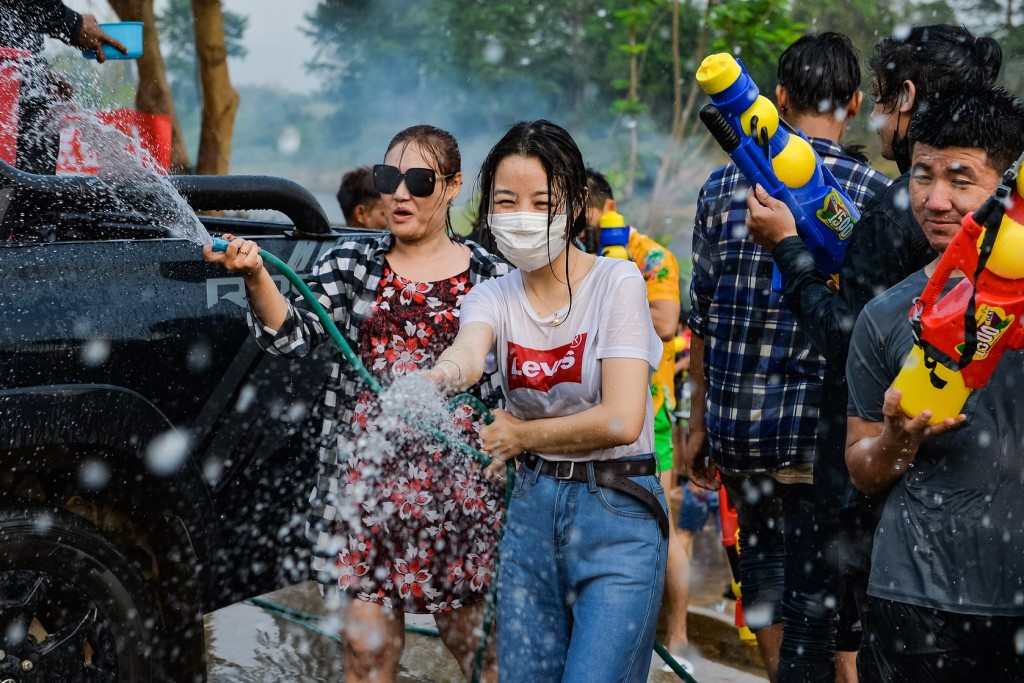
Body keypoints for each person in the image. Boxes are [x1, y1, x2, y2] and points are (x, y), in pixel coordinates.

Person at [203, 124, 509, 683]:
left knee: (481, 653)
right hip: (365, 494)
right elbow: (288, 334)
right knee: (367, 657)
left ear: (454, 186)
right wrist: (254, 276)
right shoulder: (352, 265)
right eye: (388, 178)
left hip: (460, 501)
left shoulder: (491, 277)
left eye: (419, 181)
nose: (400, 193)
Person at [745, 26, 1003, 680]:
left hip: (882, 511)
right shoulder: (970, 231)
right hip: (946, 531)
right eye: (927, 178)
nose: (937, 198)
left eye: (886, 99)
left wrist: (791, 255)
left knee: (817, 637)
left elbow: (852, 330)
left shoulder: (906, 209)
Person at [427, 119, 667, 682]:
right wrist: (439, 377)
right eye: (506, 201)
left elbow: (621, 417)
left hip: (616, 507)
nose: (522, 215)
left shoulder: (618, 283)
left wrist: (523, 435)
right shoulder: (491, 296)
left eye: (542, 200)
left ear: (577, 203)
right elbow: (469, 349)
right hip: (532, 514)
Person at [687, 32, 890, 683]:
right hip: (818, 437)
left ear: (778, 97)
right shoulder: (872, 192)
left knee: (768, 578)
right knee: (826, 598)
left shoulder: (722, 186)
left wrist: (696, 426)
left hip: (740, 431)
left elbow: (704, 317)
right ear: (854, 102)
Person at [844, 88, 1024, 681]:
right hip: (915, 596)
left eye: (960, 178)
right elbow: (861, 465)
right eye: (923, 175)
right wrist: (899, 440)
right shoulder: (888, 316)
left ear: (1006, 188)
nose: (935, 199)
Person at [584, 167, 694, 674]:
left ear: (600, 207)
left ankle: (676, 635)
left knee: (659, 520)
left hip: (650, 409)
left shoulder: (649, 254)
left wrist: (610, 298)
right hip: (588, 407)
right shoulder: (572, 255)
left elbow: (669, 322)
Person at [0, 1, 127, 173]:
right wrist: (74, 24)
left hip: (15, 84)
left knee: (31, 178)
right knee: (29, 183)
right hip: (10, 100)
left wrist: (41, 75)